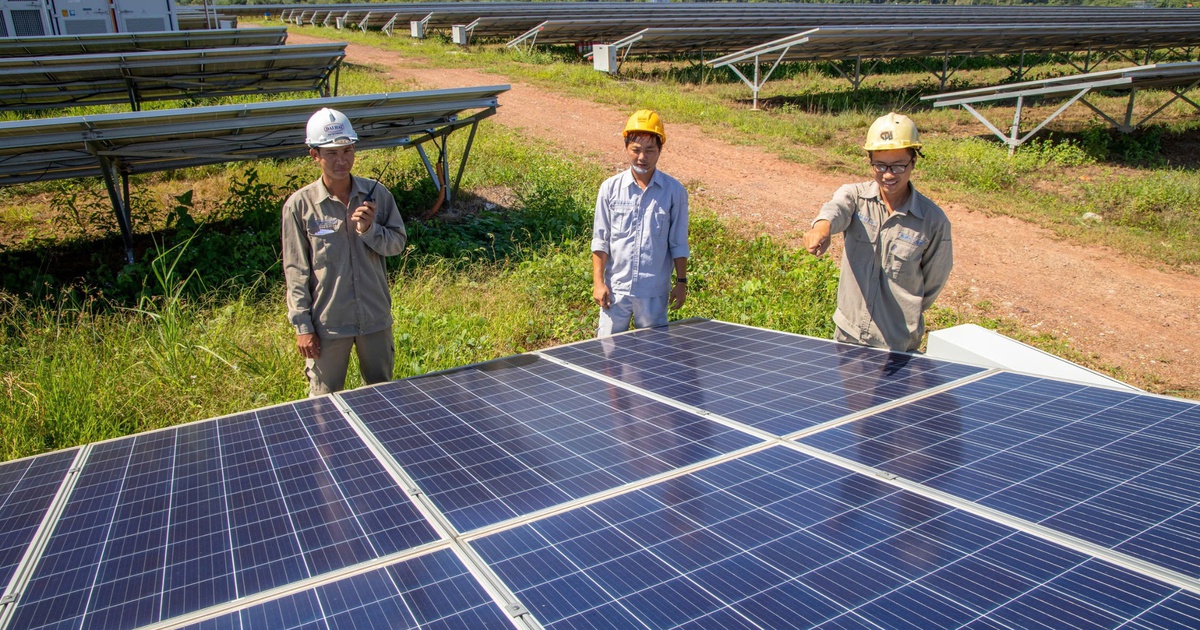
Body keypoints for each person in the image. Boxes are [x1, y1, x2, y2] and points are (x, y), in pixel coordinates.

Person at [281, 107, 408, 396]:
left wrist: (369, 231)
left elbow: (397, 244)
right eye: (331, 153)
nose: (341, 160)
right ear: (315, 155)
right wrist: (303, 326)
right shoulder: (300, 206)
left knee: (381, 399)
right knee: (324, 406)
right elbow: (296, 270)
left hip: (374, 319)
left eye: (347, 150)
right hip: (329, 325)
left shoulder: (378, 195)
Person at [802, 112, 953, 353]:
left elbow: (933, 283)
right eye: (880, 165)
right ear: (870, 162)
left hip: (896, 344)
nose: (889, 174)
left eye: (898, 165)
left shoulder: (933, 222)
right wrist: (822, 228)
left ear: (914, 161)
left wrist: (901, 314)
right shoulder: (856, 197)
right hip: (848, 334)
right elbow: (837, 209)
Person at [591, 109, 690, 337]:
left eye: (649, 150)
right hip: (615, 291)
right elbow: (601, 239)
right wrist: (598, 282)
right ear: (626, 147)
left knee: (652, 355)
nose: (642, 157)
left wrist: (681, 282)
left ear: (660, 150)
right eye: (635, 150)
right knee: (608, 353)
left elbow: (678, 241)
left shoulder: (674, 192)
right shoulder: (610, 188)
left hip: (653, 292)